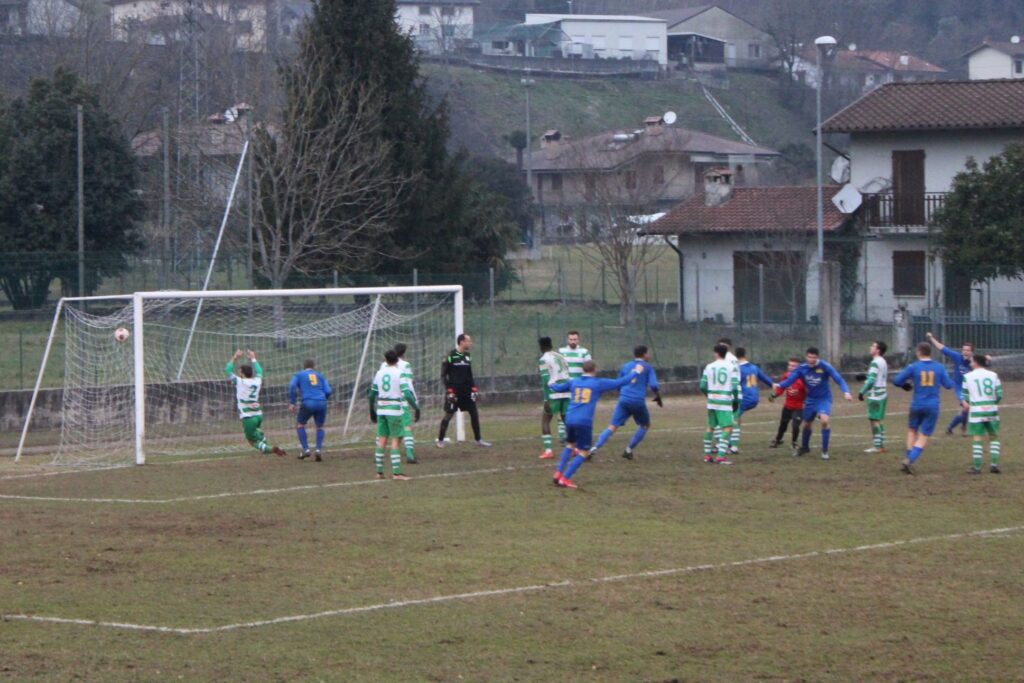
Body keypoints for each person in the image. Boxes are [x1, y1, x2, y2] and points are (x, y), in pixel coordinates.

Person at [547, 360, 640, 488]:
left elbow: (559, 388)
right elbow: (620, 382)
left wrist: (550, 384)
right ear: (595, 370)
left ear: (583, 370)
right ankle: (565, 478)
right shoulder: (598, 383)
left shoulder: (574, 381)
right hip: (584, 421)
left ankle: (557, 474)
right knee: (584, 452)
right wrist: (635, 372)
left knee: (569, 445)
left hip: (570, 418)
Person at [775, 347, 853, 461]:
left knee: (825, 421)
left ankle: (825, 451)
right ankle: (805, 447)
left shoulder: (825, 366)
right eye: (809, 357)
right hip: (810, 399)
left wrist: (846, 391)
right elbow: (790, 380)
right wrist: (779, 385)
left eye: (814, 357)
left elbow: (838, 379)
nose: (811, 359)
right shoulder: (802, 368)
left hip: (824, 399)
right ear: (806, 357)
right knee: (806, 424)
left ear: (818, 358)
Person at [891, 342, 956, 475]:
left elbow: (897, 380)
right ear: (930, 353)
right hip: (932, 406)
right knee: (924, 435)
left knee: (912, 430)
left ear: (919, 352)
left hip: (916, 404)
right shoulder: (939, 367)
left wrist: (905, 385)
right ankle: (910, 460)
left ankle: (908, 457)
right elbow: (949, 385)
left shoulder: (913, 367)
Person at [591, 345, 663, 461]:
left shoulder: (626, 366)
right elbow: (654, 385)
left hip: (624, 399)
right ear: (644, 355)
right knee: (645, 425)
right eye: (648, 353)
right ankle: (628, 450)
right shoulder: (648, 367)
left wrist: (623, 393)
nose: (649, 355)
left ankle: (594, 448)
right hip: (638, 401)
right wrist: (658, 396)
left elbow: (618, 383)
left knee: (612, 426)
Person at [369, 350, 420, 480]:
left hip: (381, 410)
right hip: (394, 410)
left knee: (382, 440)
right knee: (396, 440)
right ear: (397, 360)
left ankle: (379, 472)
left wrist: (372, 410)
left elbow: (371, 395)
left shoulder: (379, 373)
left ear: (385, 360)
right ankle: (396, 473)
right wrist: (416, 407)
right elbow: (407, 394)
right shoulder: (399, 373)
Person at [225, 350, 286, 457]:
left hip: (248, 417)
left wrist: (235, 357)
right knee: (258, 433)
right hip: (258, 415)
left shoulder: (240, 381)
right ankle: (267, 447)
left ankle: (271, 449)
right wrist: (253, 358)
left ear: (242, 373)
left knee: (252, 441)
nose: (239, 373)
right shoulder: (257, 381)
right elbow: (259, 371)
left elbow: (227, 369)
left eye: (240, 372)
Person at [437, 334, 491, 448]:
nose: (470, 343)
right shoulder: (450, 355)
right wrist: (449, 390)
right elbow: (443, 375)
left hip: (466, 392)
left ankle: (478, 440)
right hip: (454, 392)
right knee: (448, 415)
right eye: (468, 341)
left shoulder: (467, 356)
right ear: (462, 342)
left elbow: (469, 374)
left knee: (474, 414)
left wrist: (474, 388)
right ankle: (440, 440)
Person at [925, 332, 974, 436]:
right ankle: (961, 427)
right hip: (959, 387)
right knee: (966, 407)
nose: (965, 352)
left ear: (971, 352)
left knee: (965, 409)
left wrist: (987, 360)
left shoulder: (974, 363)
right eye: (964, 350)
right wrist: (931, 338)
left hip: (970, 389)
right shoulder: (957, 357)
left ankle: (951, 428)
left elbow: (984, 365)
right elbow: (943, 348)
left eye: (968, 350)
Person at [962, 354, 1003, 474]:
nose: (970, 363)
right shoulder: (994, 375)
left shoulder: (967, 377)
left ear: (975, 362)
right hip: (992, 410)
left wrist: (969, 403)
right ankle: (994, 465)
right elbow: (999, 394)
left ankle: (977, 467)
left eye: (971, 361)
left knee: (977, 437)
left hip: (976, 411)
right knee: (994, 437)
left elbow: (965, 396)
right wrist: (992, 403)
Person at [701, 343, 740, 465]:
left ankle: (707, 456)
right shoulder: (731, 367)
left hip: (712, 401)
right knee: (727, 427)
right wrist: (735, 400)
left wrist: (709, 395)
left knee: (710, 427)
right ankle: (720, 456)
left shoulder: (709, 366)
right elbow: (734, 387)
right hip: (724, 401)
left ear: (716, 353)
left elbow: (702, 386)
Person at [730, 347, 774, 455]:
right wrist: (775, 386)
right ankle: (732, 441)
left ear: (735, 356)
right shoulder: (754, 367)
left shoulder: (737, 369)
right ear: (745, 355)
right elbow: (766, 379)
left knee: (732, 417)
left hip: (745, 397)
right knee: (736, 415)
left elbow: (734, 384)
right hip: (755, 398)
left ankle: (732, 445)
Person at [288, 359, 332, 461]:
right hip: (322, 402)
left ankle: (306, 449)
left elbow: (292, 385)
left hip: (308, 402)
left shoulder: (298, 375)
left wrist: (292, 402)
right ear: (314, 367)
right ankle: (318, 450)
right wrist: (323, 398)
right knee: (320, 427)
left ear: (304, 366)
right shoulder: (320, 376)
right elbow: (329, 390)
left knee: (300, 425)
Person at [537, 337, 571, 459]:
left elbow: (546, 380)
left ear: (541, 346)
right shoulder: (561, 356)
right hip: (567, 391)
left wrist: (546, 399)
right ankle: (574, 448)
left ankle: (548, 450)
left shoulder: (543, 359)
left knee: (545, 420)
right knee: (567, 420)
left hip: (554, 393)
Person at [856, 341, 889, 453]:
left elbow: (871, 380)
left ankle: (877, 446)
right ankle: (881, 444)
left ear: (878, 350)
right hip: (883, 393)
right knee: (878, 420)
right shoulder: (883, 361)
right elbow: (876, 376)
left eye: (873, 346)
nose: (870, 347)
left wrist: (862, 392)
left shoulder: (875, 362)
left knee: (874, 420)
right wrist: (865, 375)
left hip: (875, 395)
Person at [770, 357, 805, 453]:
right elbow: (781, 388)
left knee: (795, 425)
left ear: (799, 368)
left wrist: (807, 402)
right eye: (790, 365)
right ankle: (778, 440)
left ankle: (794, 442)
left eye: (794, 366)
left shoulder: (803, 379)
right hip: (787, 406)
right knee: (783, 425)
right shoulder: (786, 376)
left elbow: (809, 392)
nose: (791, 367)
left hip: (799, 407)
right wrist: (774, 395)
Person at [391, 343, 418, 464]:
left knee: (384, 430)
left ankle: (377, 457)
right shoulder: (405, 365)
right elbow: (409, 384)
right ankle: (410, 455)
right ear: (403, 353)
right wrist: (415, 401)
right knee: (406, 427)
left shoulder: (384, 365)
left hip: (386, 401)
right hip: (401, 401)